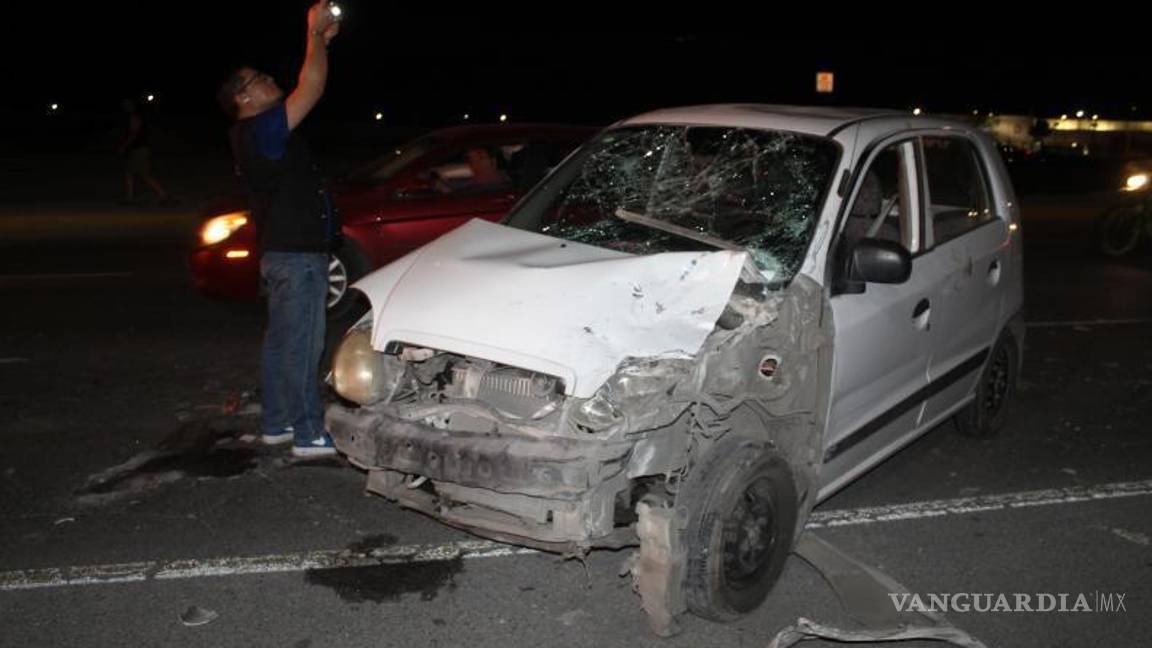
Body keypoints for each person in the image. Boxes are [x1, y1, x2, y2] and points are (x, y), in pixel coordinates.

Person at [216, 1, 341, 457]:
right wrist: (312, 35)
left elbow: (308, 80)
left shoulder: (256, 133)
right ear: (242, 99)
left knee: (281, 341)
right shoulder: (259, 129)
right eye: (259, 80)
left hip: (282, 253)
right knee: (303, 344)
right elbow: (311, 86)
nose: (271, 80)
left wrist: (320, 43)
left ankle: (277, 422)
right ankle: (307, 432)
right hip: (296, 255)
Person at [119, 98, 171, 204]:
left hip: (140, 149)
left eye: (127, 104)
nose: (125, 107)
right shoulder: (134, 116)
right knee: (131, 172)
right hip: (138, 149)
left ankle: (162, 194)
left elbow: (134, 133)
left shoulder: (135, 116)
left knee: (142, 174)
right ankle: (130, 197)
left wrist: (124, 146)